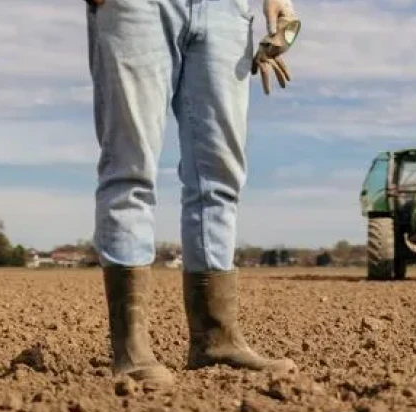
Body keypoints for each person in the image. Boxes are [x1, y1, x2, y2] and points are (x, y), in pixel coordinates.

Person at [84, 0, 300, 390]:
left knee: (220, 175)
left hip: (225, 11)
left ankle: (216, 339)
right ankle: (131, 348)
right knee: (130, 166)